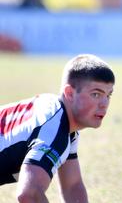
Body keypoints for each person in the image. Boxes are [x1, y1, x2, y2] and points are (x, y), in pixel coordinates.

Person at [0, 54, 115, 202]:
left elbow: (72, 186)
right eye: (96, 94)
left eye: (108, 95)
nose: (104, 103)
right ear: (70, 93)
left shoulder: (61, 121)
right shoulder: (53, 128)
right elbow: (29, 193)